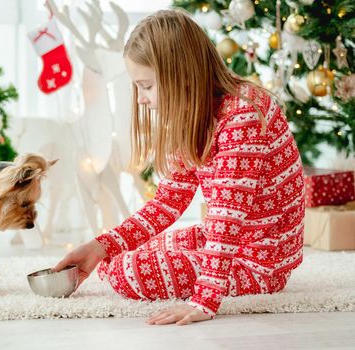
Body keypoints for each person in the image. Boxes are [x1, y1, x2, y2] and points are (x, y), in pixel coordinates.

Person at [52, 8, 305, 326]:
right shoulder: (191, 115)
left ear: (181, 76)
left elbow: (227, 218)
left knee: (128, 272)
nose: (142, 99)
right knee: (126, 255)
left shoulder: (243, 115)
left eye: (146, 86)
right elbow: (165, 204)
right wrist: (100, 247)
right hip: (230, 240)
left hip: (263, 260)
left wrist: (205, 299)